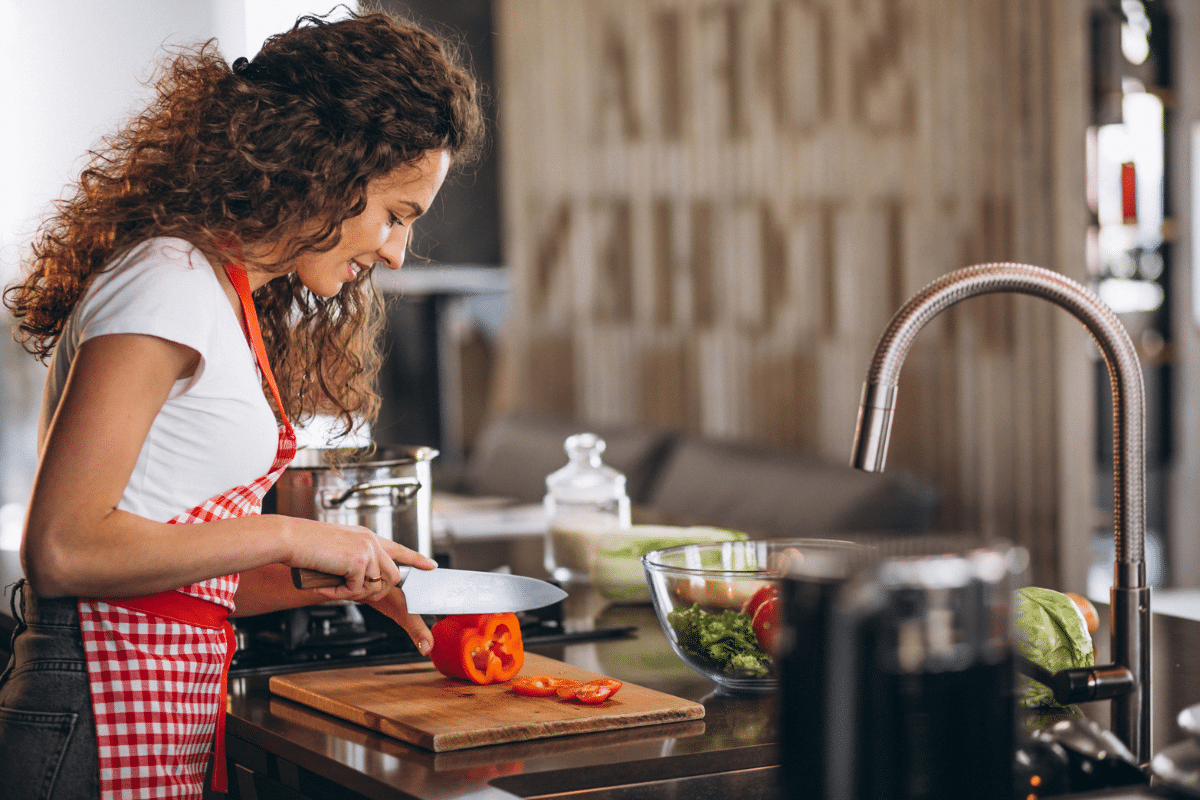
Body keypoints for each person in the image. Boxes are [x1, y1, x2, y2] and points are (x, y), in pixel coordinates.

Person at [0, 10, 484, 798]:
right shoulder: (167, 281)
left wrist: (331, 579)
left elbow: (173, 580)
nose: (396, 252)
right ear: (327, 166)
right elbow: (63, 550)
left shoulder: (221, 291)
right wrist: (294, 532)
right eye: (396, 216)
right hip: (86, 713)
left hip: (139, 701)